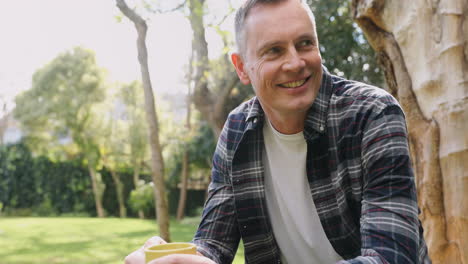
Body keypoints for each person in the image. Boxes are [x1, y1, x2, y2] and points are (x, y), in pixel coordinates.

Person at [126, 0, 431, 263]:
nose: (296, 63)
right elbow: (213, 245)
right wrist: (175, 259)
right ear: (242, 67)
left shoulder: (373, 114)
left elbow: (392, 256)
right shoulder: (236, 131)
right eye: (274, 51)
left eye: (305, 43)